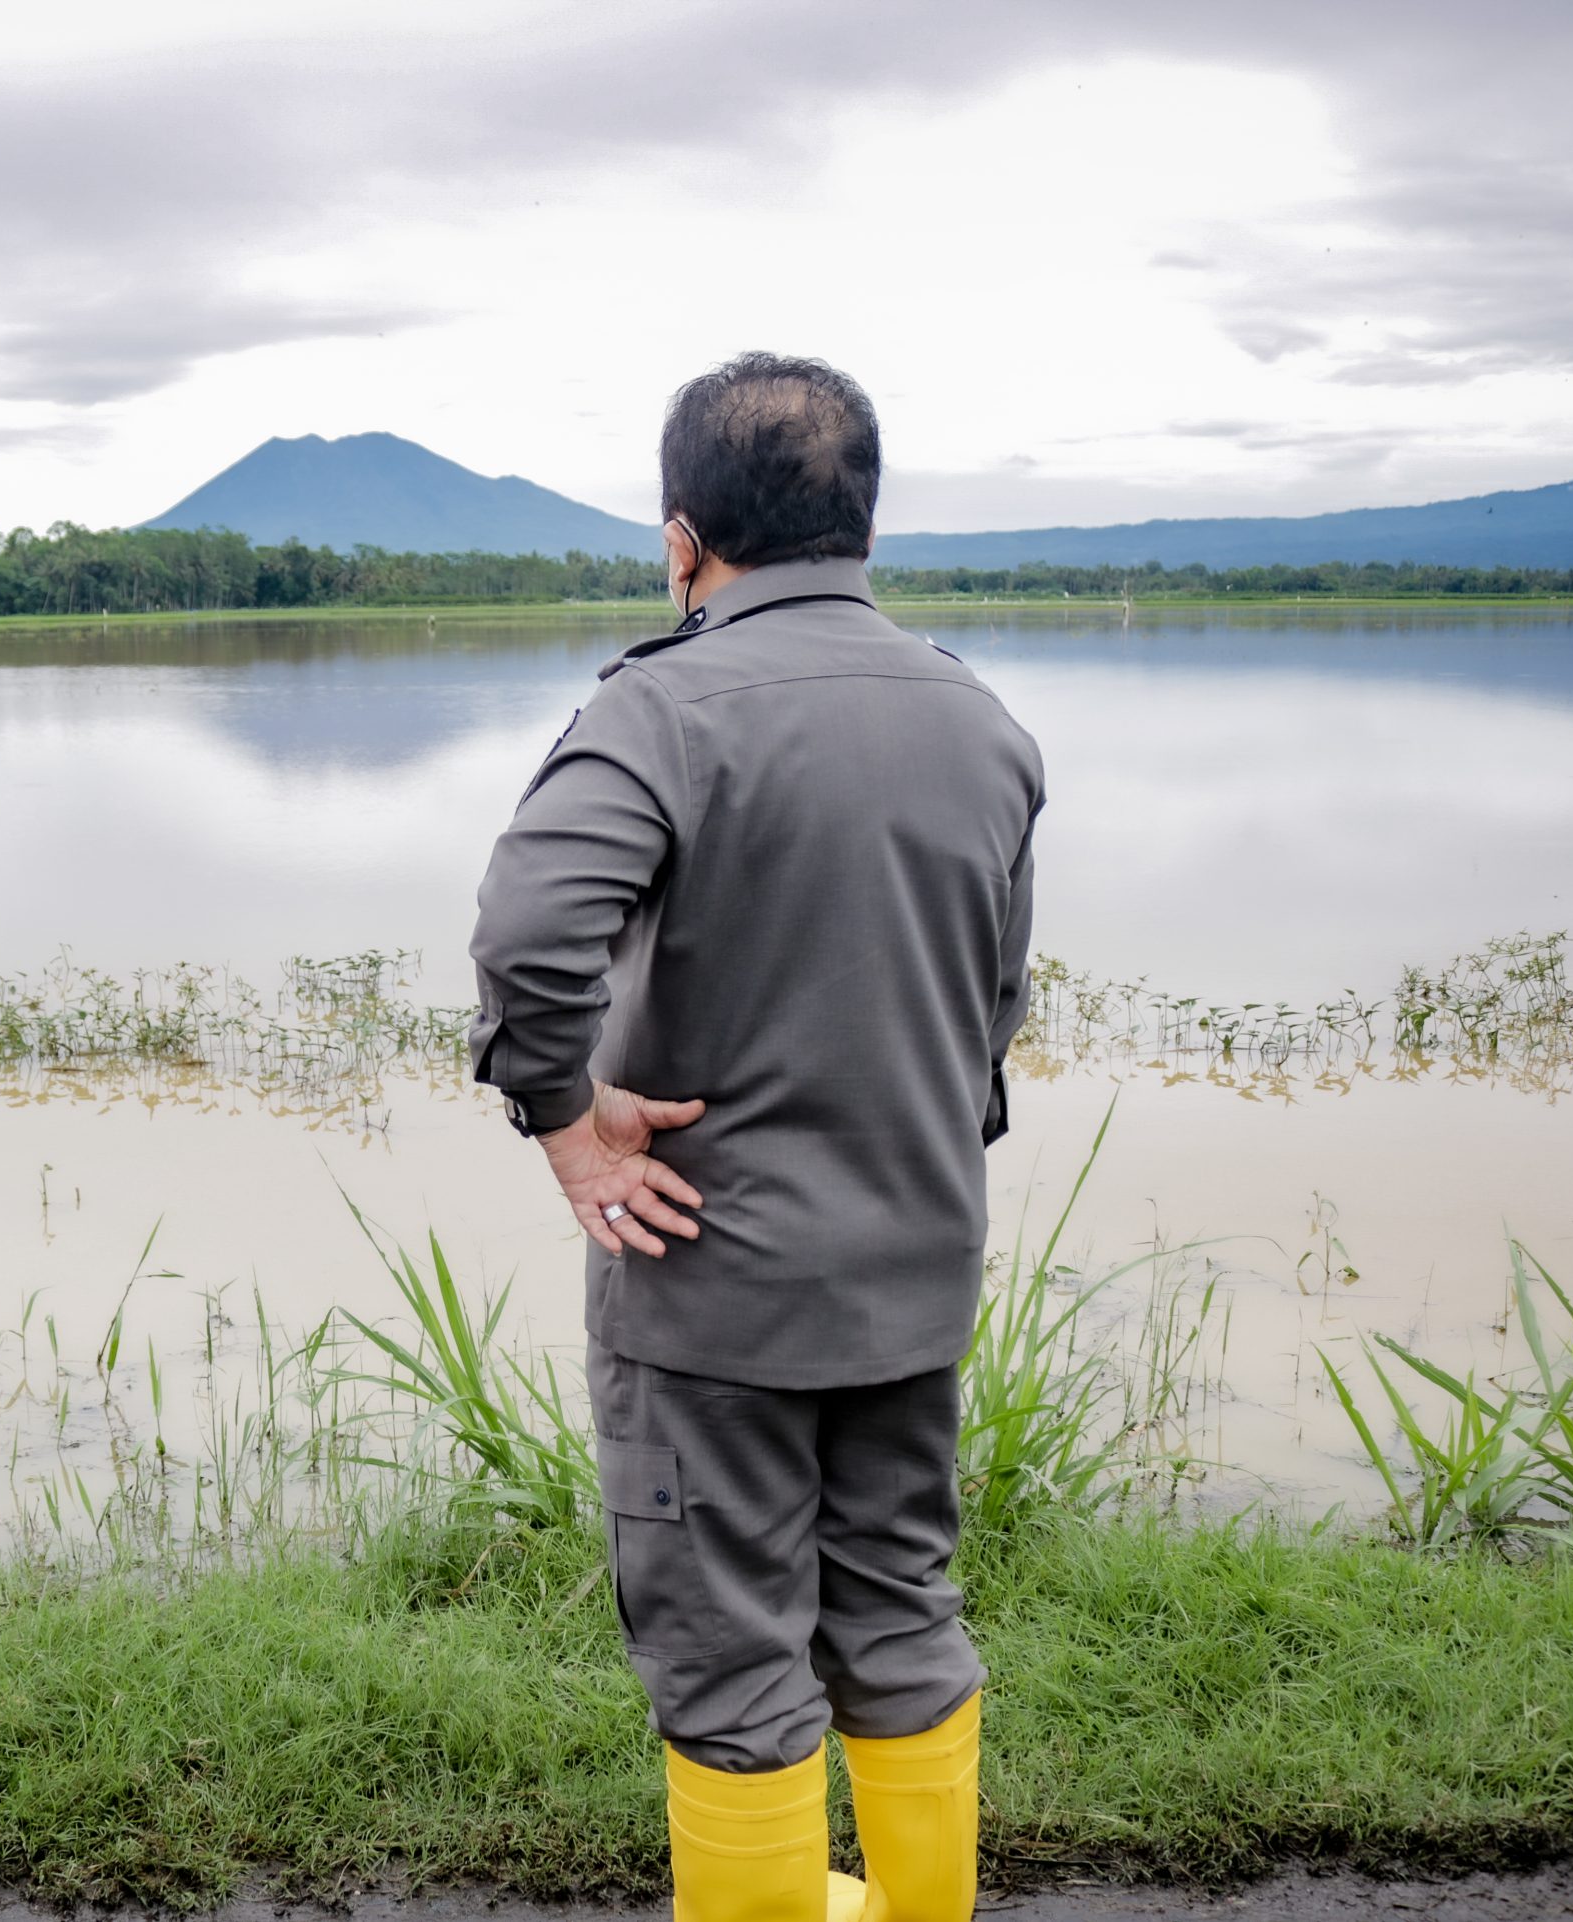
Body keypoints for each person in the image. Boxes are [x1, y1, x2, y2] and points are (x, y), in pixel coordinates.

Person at [468, 352, 1043, 1922]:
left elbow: (529, 935)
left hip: (712, 1282)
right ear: (862, 521)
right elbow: (992, 1007)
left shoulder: (663, 707)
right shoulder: (981, 722)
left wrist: (567, 1120)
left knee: (730, 1656)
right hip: (914, 1274)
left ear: (682, 540)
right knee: (901, 1609)